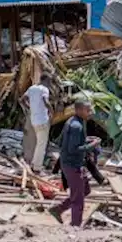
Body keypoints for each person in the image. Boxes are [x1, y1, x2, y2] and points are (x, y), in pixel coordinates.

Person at [50, 97, 97, 228]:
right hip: (73, 165)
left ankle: (58, 209)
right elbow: (73, 149)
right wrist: (91, 145)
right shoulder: (76, 126)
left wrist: (86, 141)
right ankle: (75, 226)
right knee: (78, 199)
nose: (90, 112)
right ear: (80, 110)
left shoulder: (74, 121)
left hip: (73, 163)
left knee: (85, 190)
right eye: (88, 110)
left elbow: (63, 142)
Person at [20, 76, 53, 173]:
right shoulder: (44, 89)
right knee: (41, 145)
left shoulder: (32, 88)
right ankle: (37, 167)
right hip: (42, 120)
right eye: (49, 82)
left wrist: (30, 107)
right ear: (46, 80)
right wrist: (51, 111)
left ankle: (34, 163)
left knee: (39, 143)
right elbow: (46, 101)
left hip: (34, 120)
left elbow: (22, 99)